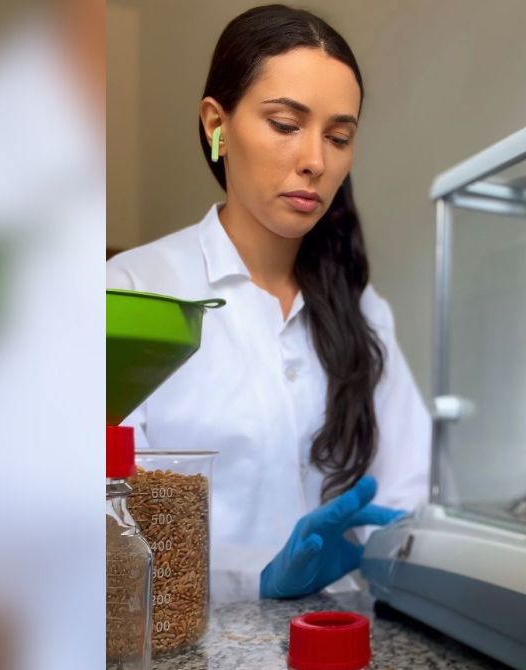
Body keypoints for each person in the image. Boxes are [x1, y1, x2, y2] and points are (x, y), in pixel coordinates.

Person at [105, 4, 431, 603]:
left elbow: (408, 489)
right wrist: (257, 575)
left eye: (339, 137)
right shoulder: (128, 291)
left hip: (345, 633)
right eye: (285, 124)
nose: (315, 160)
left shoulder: (360, 308)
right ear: (216, 125)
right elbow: (110, 525)